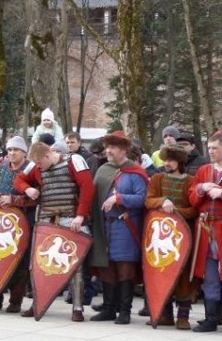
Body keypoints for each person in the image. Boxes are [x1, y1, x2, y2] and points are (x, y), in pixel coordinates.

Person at [14, 140, 95, 320]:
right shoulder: (36, 165)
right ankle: (38, 302)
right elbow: (19, 179)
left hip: (70, 218)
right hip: (45, 220)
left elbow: (87, 187)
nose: (39, 167)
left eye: (41, 163)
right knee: (39, 264)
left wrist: (80, 215)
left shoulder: (74, 161)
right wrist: (27, 189)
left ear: (48, 155)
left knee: (76, 265)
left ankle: (78, 307)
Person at [89, 131, 149, 324]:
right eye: (107, 147)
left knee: (125, 268)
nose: (108, 151)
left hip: (126, 225)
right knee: (107, 267)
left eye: (112, 147)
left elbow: (143, 199)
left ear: (123, 150)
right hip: (104, 226)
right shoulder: (103, 169)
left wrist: (119, 198)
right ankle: (108, 309)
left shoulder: (135, 172)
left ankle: (124, 311)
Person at [0, 135, 38, 313]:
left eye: (16, 150)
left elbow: (36, 196)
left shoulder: (32, 170)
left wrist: (13, 200)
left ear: (24, 153)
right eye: (9, 149)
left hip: (22, 223)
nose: (11, 153)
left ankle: (15, 301)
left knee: (19, 262)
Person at [144, 145, 198, 329]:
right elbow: (149, 200)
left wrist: (176, 211)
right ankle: (164, 314)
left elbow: (194, 209)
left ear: (180, 162)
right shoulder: (157, 179)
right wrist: (163, 201)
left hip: (182, 236)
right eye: (165, 160)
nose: (166, 163)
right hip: (159, 234)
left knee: (183, 275)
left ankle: (183, 317)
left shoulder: (191, 181)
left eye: (170, 160)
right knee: (161, 271)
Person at [188, 131, 222, 332]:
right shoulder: (203, 170)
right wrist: (201, 188)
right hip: (206, 231)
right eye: (209, 148)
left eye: (215, 148)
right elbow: (192, 198)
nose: (211, 152)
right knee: (209, 275)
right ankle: (210, 319)